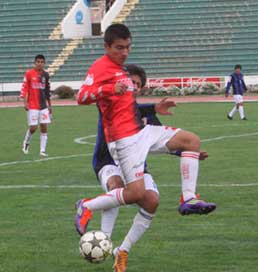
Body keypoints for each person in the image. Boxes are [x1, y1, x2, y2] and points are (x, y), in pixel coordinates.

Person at [76, 24, 216, 272]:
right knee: (127, 191)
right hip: (112, 153)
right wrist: (110, 89)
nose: (125, 52)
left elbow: (148, 130)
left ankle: (187, 199)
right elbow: (83, 97)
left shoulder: (132, 98)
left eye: (129, 47)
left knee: (188, 144)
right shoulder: (104, 71)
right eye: (120, 48)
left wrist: (186, 152)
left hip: (137, 141)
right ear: (107, 46)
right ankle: (91, 214)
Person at [20, 54, 52, 157]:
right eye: (38, 62)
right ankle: (26, 142)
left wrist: (50, 106)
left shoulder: (46, 75)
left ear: (44, 63)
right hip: (33, 106)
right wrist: (25, 103)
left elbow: (47, 91)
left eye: (42, 62)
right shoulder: (29, 74)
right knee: (33, 128)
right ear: (35, 62)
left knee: (44, 127)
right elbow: (24, 88)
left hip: (43, 106)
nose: (40, 64)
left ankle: (42, 151)